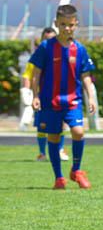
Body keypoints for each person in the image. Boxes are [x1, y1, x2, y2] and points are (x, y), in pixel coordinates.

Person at [29, 6, 96, 189]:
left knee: (78, 132)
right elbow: (36, 73)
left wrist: (91, 97)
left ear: (76, 25)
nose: (67, 28)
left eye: (71, 25)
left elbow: (86, 76)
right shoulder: (46, 47)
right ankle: (58, 178)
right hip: (50, 101)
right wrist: (35, 95)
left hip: (73, 101)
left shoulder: (80, 49)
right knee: (53, 136)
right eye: (63, 25)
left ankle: (76, 170)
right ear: (57, 24)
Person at [21, 28, 70, 162]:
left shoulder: (63, 54)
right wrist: (27, 91)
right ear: (42, 40)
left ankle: (60, 150)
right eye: (46, 39)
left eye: (51, 38)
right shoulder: (37, 57)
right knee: (42, 126)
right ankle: (42, 153)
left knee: (61, 124)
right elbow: (28, 75)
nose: (49, 41)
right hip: (42, 96)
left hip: (60, 95)